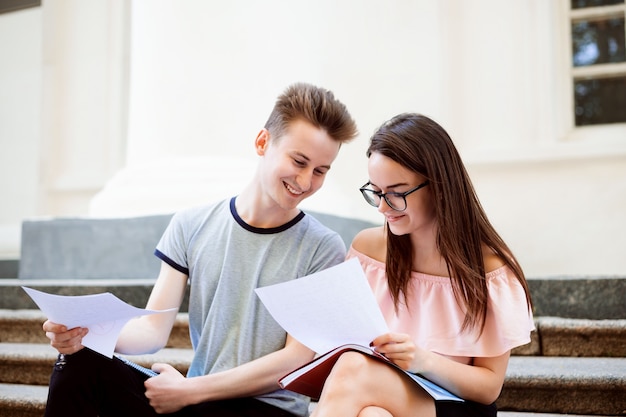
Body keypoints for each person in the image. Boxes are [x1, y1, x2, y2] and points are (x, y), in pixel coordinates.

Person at [42, 82, 358, 417]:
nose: (306, 181)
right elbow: (152, 331)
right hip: (195, 400)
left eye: (320, 171)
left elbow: (296, 359)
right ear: (263, 142)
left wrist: (190, 390)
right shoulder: (191, 224)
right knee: (81, 362)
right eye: (299, 161)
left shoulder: (323, 247)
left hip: (266, 408)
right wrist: (80, 332)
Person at [309, 113, 534, 417]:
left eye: (397, 193)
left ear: (438, 186)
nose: (383, 207)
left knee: (353, 370)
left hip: (456, 406)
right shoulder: (368, 250)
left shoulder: (490, 269)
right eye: (376, 192)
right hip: (378, 396)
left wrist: (422, 360)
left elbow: (488, 387)